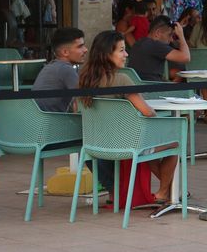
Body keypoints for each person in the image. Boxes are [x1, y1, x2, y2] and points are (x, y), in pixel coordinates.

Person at [79, 30, 177, 204]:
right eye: (122, 50)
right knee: (174, 142)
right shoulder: (121, 79)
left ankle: (167, 191)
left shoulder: (84, 80)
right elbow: (148, 112)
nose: (126, 54)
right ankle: (164, 192)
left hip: (95, 144)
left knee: (149, 144)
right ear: (108, 54)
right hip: (127, 145)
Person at [31, 28, 87, 113]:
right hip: (54, 122)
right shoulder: (66, 69)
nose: (85, 50)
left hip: (39, 121)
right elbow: (81, 101)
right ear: (65, 52)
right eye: (80, 46)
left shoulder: (52, 66)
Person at [128, 16, 191, 82]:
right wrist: (181, 35)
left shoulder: (139, 42)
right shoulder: (155, 45)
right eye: (169, 35)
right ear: (157, 33)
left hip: (140, 87)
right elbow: (186, 57)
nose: (171, 39)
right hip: (151, 89)